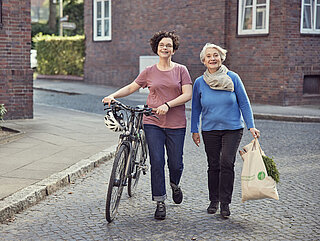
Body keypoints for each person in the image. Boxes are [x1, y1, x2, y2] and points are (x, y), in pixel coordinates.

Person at [102, 31, 192, 220]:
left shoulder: (181, 70)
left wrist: (167, 105)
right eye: (161, 45)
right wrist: (113, 96)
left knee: (175, 163)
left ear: (173, 49)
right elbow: (132, 87)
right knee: (157, 161)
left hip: (176, 124)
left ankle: (175, 184)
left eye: (168, 45)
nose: (165, 48)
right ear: (156, 49)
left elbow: (187, 94)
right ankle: (160, 201)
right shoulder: (149, 71)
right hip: (152, 122)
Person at [191, 43, 260, 218]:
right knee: (213, 165)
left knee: (227, 163)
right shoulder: (199, 83)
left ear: (221, 58)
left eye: (216, 55)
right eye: (209, 56)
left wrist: (251, 125)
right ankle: (213, 200)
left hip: (233, 129)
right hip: (209, 130)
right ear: (204, 61)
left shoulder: (233, 78)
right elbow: (196, 108)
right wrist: (194, 130)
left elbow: (244, 103)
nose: (212, 58)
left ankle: (225, 203)